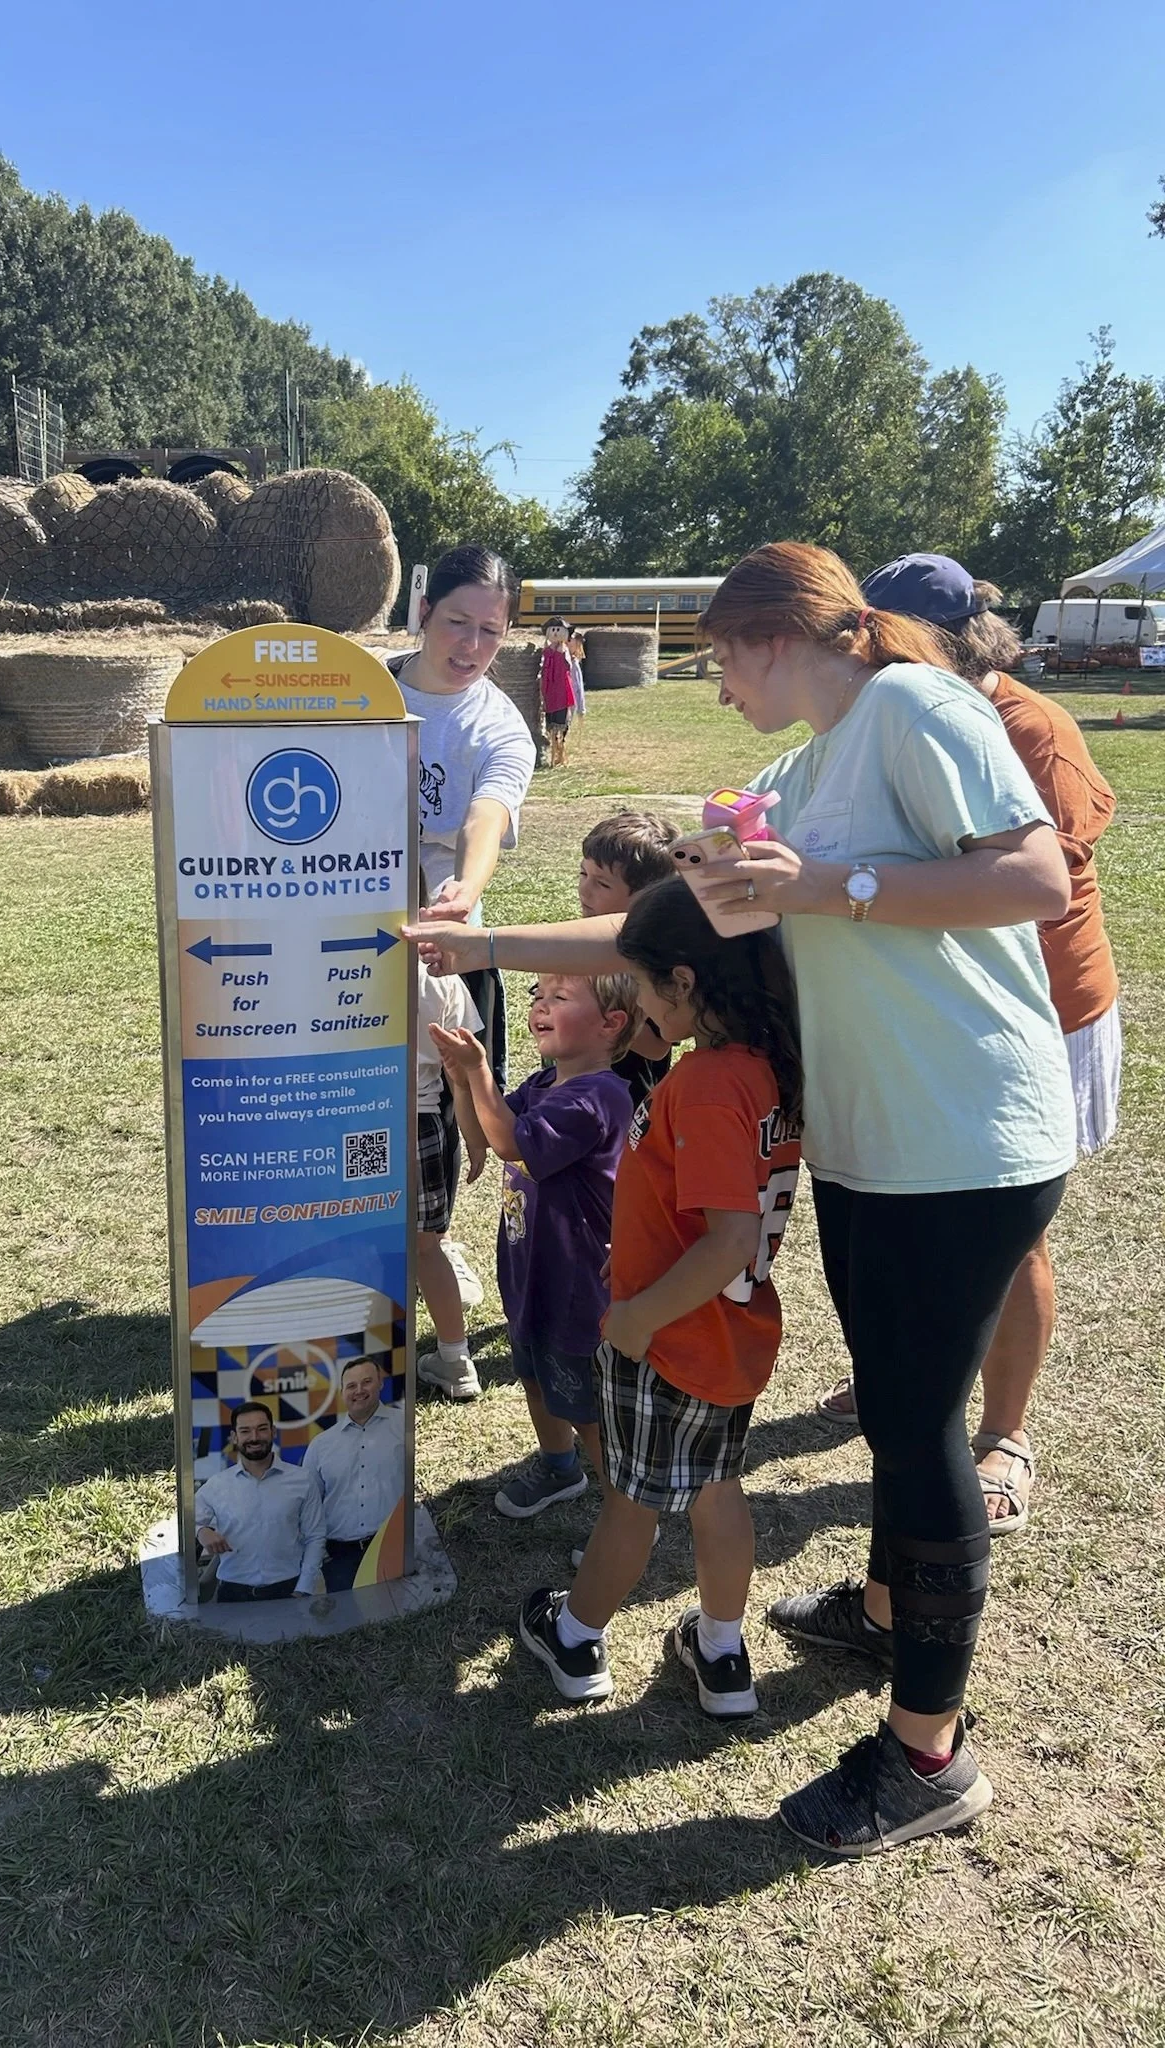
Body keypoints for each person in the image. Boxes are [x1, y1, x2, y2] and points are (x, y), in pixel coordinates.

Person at [409, 541, 1076, 1855]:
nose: (714, 686)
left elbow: (1035, 877)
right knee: (897, 1408)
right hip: (878, 1144)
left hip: (968, 1133)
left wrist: (828, 889)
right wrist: (485, 945)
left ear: (777, 635)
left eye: (719, 655)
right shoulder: (793, 772)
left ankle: (926, 1754)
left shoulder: (914, 708)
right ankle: (890, 1617)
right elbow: (663, 928)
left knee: (917, 1431)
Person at [814, 555, 1120, 1540]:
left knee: (1009, 1224)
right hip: (945, 1012)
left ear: (950, 636)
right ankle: (923, 1379)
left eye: (885, 632)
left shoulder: (1026, 726)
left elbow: (1040, 875)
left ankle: (1006, 1432)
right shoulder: (892, 712)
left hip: (1048, 1010)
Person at [514, 879, 803, 1715]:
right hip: (729, 1337)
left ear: (684, 981)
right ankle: (720, 1655)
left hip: (673, 1336)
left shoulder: (711, 1083)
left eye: (641, 987)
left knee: (631, 1504)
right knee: (718, 1492)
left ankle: (573, 1636)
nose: (637, 1011)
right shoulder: (766, 1065)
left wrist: (637, 1318)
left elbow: (728, 1237)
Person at [432, 971, 637, 1519]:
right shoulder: (546, 1084)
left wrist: (478, 1069)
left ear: (610, 1024)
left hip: (577, 1284)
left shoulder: (597, 1097)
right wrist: (459, 1078)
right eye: (537, 995)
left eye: (560, 997)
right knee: (533, 1374)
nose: (541, 1005)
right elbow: (484, 1132)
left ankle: (628, 1518)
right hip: (531, 1270)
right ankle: (558, 1466)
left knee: (586, 1407)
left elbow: (511, 1142)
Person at [391, 544, 537, 1092]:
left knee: (447, 1097)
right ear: (425, 611)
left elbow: (487, 815)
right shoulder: (360, 691)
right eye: (457, 622)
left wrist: (464, 892)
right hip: (346, 914)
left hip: (443, 931)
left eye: (491, 631)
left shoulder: (500, 728)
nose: (472, 646)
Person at [413, 953, 489, 1401]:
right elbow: (461, 1069)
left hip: (354, 1117)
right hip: (424, 1124)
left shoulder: (333, 959)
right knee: (427, 1248)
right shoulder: (441, 979)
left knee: (362, 1240)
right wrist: (472, 1133)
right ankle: (456, 1358)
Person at [577, 810, 680, 1108]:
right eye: (583, 874)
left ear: (646, 896)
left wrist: (591, 1005)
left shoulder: (654, 956)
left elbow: (657, 1047)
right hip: (571, 1095)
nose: (585, 889)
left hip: (628, 1107)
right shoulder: (576, 944)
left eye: (602, 883)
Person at [195, 1404, 325, 1602]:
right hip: (232, 1596)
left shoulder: (303, 1480)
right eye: (245, 1431)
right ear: (234, 1437)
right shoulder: (217, 1485)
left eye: (261, 1429)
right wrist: (201, 1531)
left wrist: (303, 1588)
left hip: (288, 1592)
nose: (254, 1437)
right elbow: (186, 1521)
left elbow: (315, 1536)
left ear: (273, 1432)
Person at [302, 1358, 407, 1591]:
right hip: (340, 1558)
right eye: (351, 1386)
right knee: (351, 1626)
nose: (358, 1390)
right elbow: (308, 1507)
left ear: (380, 1383)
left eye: (366, 1382)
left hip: (394, 1546)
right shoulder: (321, 1445)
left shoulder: (406, 1426)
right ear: (342, 1393)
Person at [540, 617, 576, 769]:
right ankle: (553, 754)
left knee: (561, 723)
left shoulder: (564, 651)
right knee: (550, 723)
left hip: (561, 689)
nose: (555, 633)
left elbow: (569, 668)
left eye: (558, 630)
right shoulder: (546, 651)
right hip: (549, 690)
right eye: (552, 630)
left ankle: (560, 754)